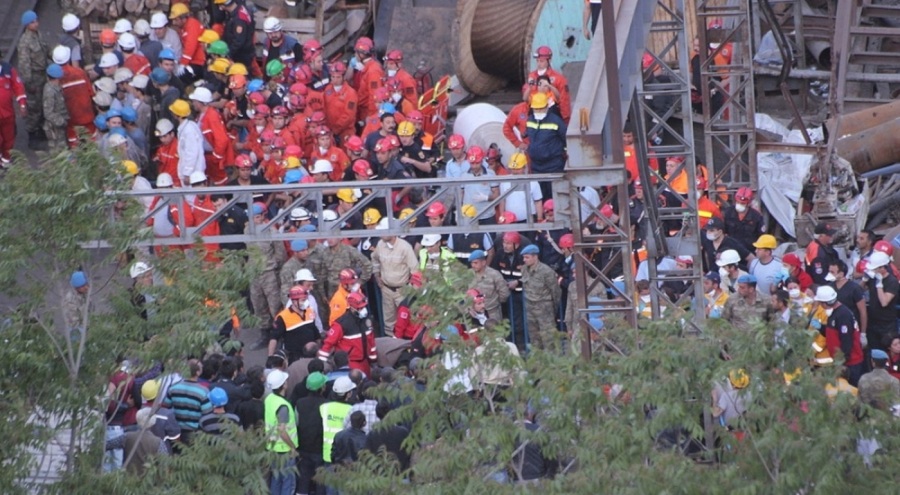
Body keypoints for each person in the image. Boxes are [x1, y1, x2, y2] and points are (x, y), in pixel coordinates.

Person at [815, 285, 865, 386]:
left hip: (850, 363)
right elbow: (832, 334)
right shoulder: (833, 314)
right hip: (840, 361)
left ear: (824, 303)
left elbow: (846, 340)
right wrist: (819, 326)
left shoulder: (843, 315)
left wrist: (842, 362)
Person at [372, 233, 420, 335]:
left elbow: (415, 270)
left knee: (407, 320)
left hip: (402, 290)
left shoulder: (405, 247)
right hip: (386, 289)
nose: (382, 234)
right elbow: (375, 259)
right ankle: (391, 344)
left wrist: (412, 293)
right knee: (388, 321)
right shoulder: (380, 245)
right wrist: (376, 275)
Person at [320, 292, 379, 375]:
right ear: (352, 308)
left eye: (364, 307)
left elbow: (371, 341)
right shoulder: (341, 324)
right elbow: (328, 343)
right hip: (351, 363)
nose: (363, 310)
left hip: (366, 362)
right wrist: (322, 363)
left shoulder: (367, 320)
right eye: (360, 308)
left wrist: (373, 360)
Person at [524, 92, 567, 199]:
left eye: (541, 108)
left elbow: (566, 138)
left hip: (554, 166)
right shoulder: (530, 120)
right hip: (536, 167)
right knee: (540, 197)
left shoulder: (556, 121)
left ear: (547, 107)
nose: (538, 111)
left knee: (555, 198)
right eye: (536, 109)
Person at [161, 359, 212, 446]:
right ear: (198, 372)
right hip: (195, 433)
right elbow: (207, 413)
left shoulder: (173, 388)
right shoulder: (203, 391)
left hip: (176, 432)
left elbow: (165, 406)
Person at [520, 244, 561, 351]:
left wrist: (553, 308)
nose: (524, 260)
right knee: (534, 338)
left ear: (535, 256)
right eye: (524, 257)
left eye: (527, 257)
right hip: (530, 307)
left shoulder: (546, 271)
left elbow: (555, 291)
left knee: (549, 338)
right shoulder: (524, 269)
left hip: (544, 308)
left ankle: (552, 364)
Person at [264, 369, 298, 495]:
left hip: (272, 447)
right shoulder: (283, 405)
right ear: (283, 385)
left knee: (276, 481)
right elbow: (282, 430)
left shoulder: (269, 399)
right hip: (285, 450)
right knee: (288, 484)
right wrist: (292, 447)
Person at [18, 11, 49, 149]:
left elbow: (46, 50)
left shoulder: (38, 35)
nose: (36, 23)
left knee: (43, 103)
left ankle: (41, 130)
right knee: (34, 108)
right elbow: (24, 65)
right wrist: (28, 83)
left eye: (36, 20)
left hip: (43, 74)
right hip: (34, 77)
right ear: (27, 24)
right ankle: (32, 136)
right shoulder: (25, 42)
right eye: (32, 22)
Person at [295, 371, 328, 495]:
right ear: (322, 388)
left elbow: (296, 424)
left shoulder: (299, 403)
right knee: (320, 480)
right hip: (320, 448)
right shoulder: (326, 404)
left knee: (303, 479)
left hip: (303, 446)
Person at [269, 286, 319, 362]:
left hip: (311, 355)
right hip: (294, 358)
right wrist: (270, 358)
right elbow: (274, 339)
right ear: (294, 301)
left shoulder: (310, 311)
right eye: (303, 300)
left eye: (306, 299)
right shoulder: (283, 317)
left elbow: (315, 333)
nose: (305, 302)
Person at [526, 46, 571, 123]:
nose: (539, 64)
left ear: (549, 60)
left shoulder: (559, 79)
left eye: (542, 61)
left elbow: (564, 99)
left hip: (551, 115)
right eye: (537, 61)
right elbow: (527, 98)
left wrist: (565, 119)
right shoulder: (532, 76)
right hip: (535, 114)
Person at [865, 251, 898, 352]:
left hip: (886, 324)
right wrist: (864, 279)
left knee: (887, 351)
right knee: (874, 351)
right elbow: (859, 290)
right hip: (873, 322)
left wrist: (879, 284)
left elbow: (884, 302)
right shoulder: (872, 278)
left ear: (882, 268)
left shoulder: (892, 281)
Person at [363, 402, 411, 472]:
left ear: (377, 414)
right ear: (390, 413)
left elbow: (367, 456)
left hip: (379, 475)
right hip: (401, 474)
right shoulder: (403, 432)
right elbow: (410, 452)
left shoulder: (372, 434)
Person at [321, 376, 356, 466]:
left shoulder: (324, 407)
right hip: (345, 456)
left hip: (327, 454)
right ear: (348, 394)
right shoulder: (352, 410)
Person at [169, 99, 205, 186]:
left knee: (191, 198)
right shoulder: (188, 126)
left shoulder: (188, 131)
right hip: (192, 171)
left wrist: (187, 174)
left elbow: (191, 153)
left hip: (193, 173)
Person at [469, 249, 510, 319]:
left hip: (492, 313)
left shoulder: (494, 274)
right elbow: (462, 293)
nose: (473, 265)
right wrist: (469, 308)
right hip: (474, 314)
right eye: (472, 263)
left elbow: (504, 293)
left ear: (483, 262)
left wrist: (494, 303)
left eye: (476, 263)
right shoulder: (468, 274)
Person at [42, 64, 69, 150]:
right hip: (55, 127)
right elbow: (48, 113)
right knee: (59, 150)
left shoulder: (55, 87)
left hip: (59, 124)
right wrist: (62, 122)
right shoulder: (50, 91)